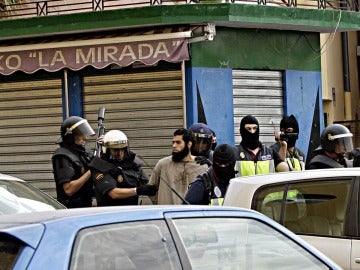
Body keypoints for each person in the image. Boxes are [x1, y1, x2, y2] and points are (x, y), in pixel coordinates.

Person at [89, 130, 157, 206]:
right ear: (108, 149)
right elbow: (113, 193)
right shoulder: (100, 166)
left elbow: (148, 185)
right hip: (109, 212)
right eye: (115, 149)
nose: (119, 152)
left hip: (132, 211)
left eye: (122, 149)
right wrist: (137, 190)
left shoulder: (133, 164)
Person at [149, 128, 208, 205]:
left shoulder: (202, 166)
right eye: (173, 142)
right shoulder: (163, 164)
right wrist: (160, 204)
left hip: (192, 215)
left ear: (189, 144)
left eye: (178, 142)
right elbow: (150, 189)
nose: (174, 146)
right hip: (167, 214)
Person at [52, 116, 95, 208]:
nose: (85, 138)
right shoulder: (62, 156)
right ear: (70, 136)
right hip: (71, 210)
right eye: (81, 134)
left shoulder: (84, 152)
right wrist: (91, 172)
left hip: (86, 206)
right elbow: (69, 190)